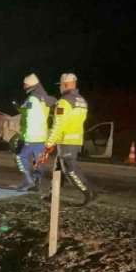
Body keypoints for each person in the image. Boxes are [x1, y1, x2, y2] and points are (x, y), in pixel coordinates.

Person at [43, 73, 96, 205]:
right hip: (76, 139)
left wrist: (49, 142)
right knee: (58, 169)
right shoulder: (82, 101)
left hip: (66, 141)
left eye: (61, 85)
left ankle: (89, 193)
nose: (60, 88)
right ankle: (53, 195)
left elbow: (58, 124)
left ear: (65, 85)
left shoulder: (64, 102)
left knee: (70, 171)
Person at [14, 73, 55, 191]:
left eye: (25, 84)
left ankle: (28, 181)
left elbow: (31, 118)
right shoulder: (45, 98)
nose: (24, 87)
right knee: (38, 161)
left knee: (20, 156)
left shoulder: (32, 99)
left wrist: (26, 137)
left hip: (31, 135)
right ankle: (36, 183)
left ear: (31, 85)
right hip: (42, 135)